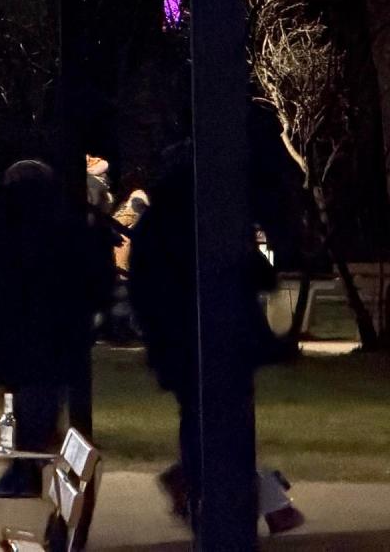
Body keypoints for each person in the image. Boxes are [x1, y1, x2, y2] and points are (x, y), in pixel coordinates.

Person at [128, 145, 303, 534]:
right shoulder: (213, 221)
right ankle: (240, 498)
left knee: (201, 418)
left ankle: (216, 490)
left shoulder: (155, 225)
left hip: (177, 345)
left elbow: (145, 291)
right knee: (225, 423)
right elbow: (254, 274)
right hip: (218, 342)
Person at [0, 160, 116, 496]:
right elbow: (98, 284)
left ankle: (24, 474)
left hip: (14, 339)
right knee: (35, 409)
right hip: (56, 340)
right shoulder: (69, 232)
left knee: (24, 410)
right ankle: (27, 473)